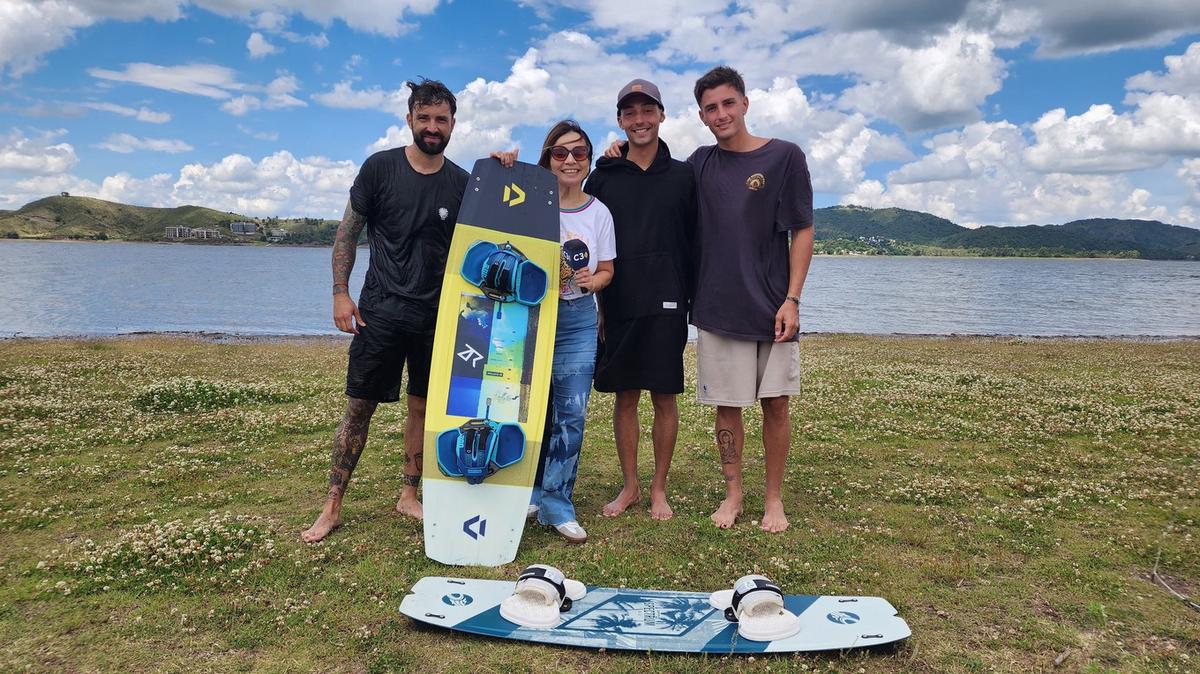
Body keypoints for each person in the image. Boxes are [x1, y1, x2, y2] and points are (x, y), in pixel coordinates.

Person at [302, 78, 469, 543]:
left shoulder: (462, 183)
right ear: (410, 119)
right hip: (379, 311)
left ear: (453, 124)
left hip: (436, 317)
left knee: (422, 407)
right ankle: (332, 505)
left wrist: (506, 167)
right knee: (359, 407)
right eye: (424, 118)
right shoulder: (379, 169)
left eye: (441, 119)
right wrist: (340, 292)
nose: (432, 127)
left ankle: (408, 494)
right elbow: (346, 233)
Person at [688, 66, 814, 534]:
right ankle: (734, 493)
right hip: (718, 307)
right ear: (701, 116)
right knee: (727, 407)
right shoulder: (699, 163)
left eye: (727, 103)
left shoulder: (784, 156)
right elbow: (656, 180)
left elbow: (802, 228)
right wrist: (619, 152)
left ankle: (774, 499)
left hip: (772, 308)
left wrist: (793, 298)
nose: (720, 114)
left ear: (744, 103)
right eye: (710, 108)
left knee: (776, 404)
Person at [492, 120, 616, 543]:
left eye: (579, 152)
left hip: (577, 318)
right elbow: (492, 215)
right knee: (524, 410)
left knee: (572, 414)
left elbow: (607, 271)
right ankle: (525, 492)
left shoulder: (599, 212)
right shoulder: (528, 205)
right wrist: (504, 167)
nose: (569, 160)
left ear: (588, 160)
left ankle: (558, 502)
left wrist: (592, 282)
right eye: (560, 152)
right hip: (527, 315)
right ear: (546, 159)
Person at [585, 79, 696, 521]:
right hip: (619, 301)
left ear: (662, 115)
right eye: (629, 113)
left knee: (664, 398)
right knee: (625, 397)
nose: (639, 120)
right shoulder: (603, 176)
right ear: (620, 121)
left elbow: (696, 241)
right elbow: (585, 234)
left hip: (669, 301)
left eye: (647, 111)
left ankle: (658, 489)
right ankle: (629, 486)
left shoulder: (685, 175)